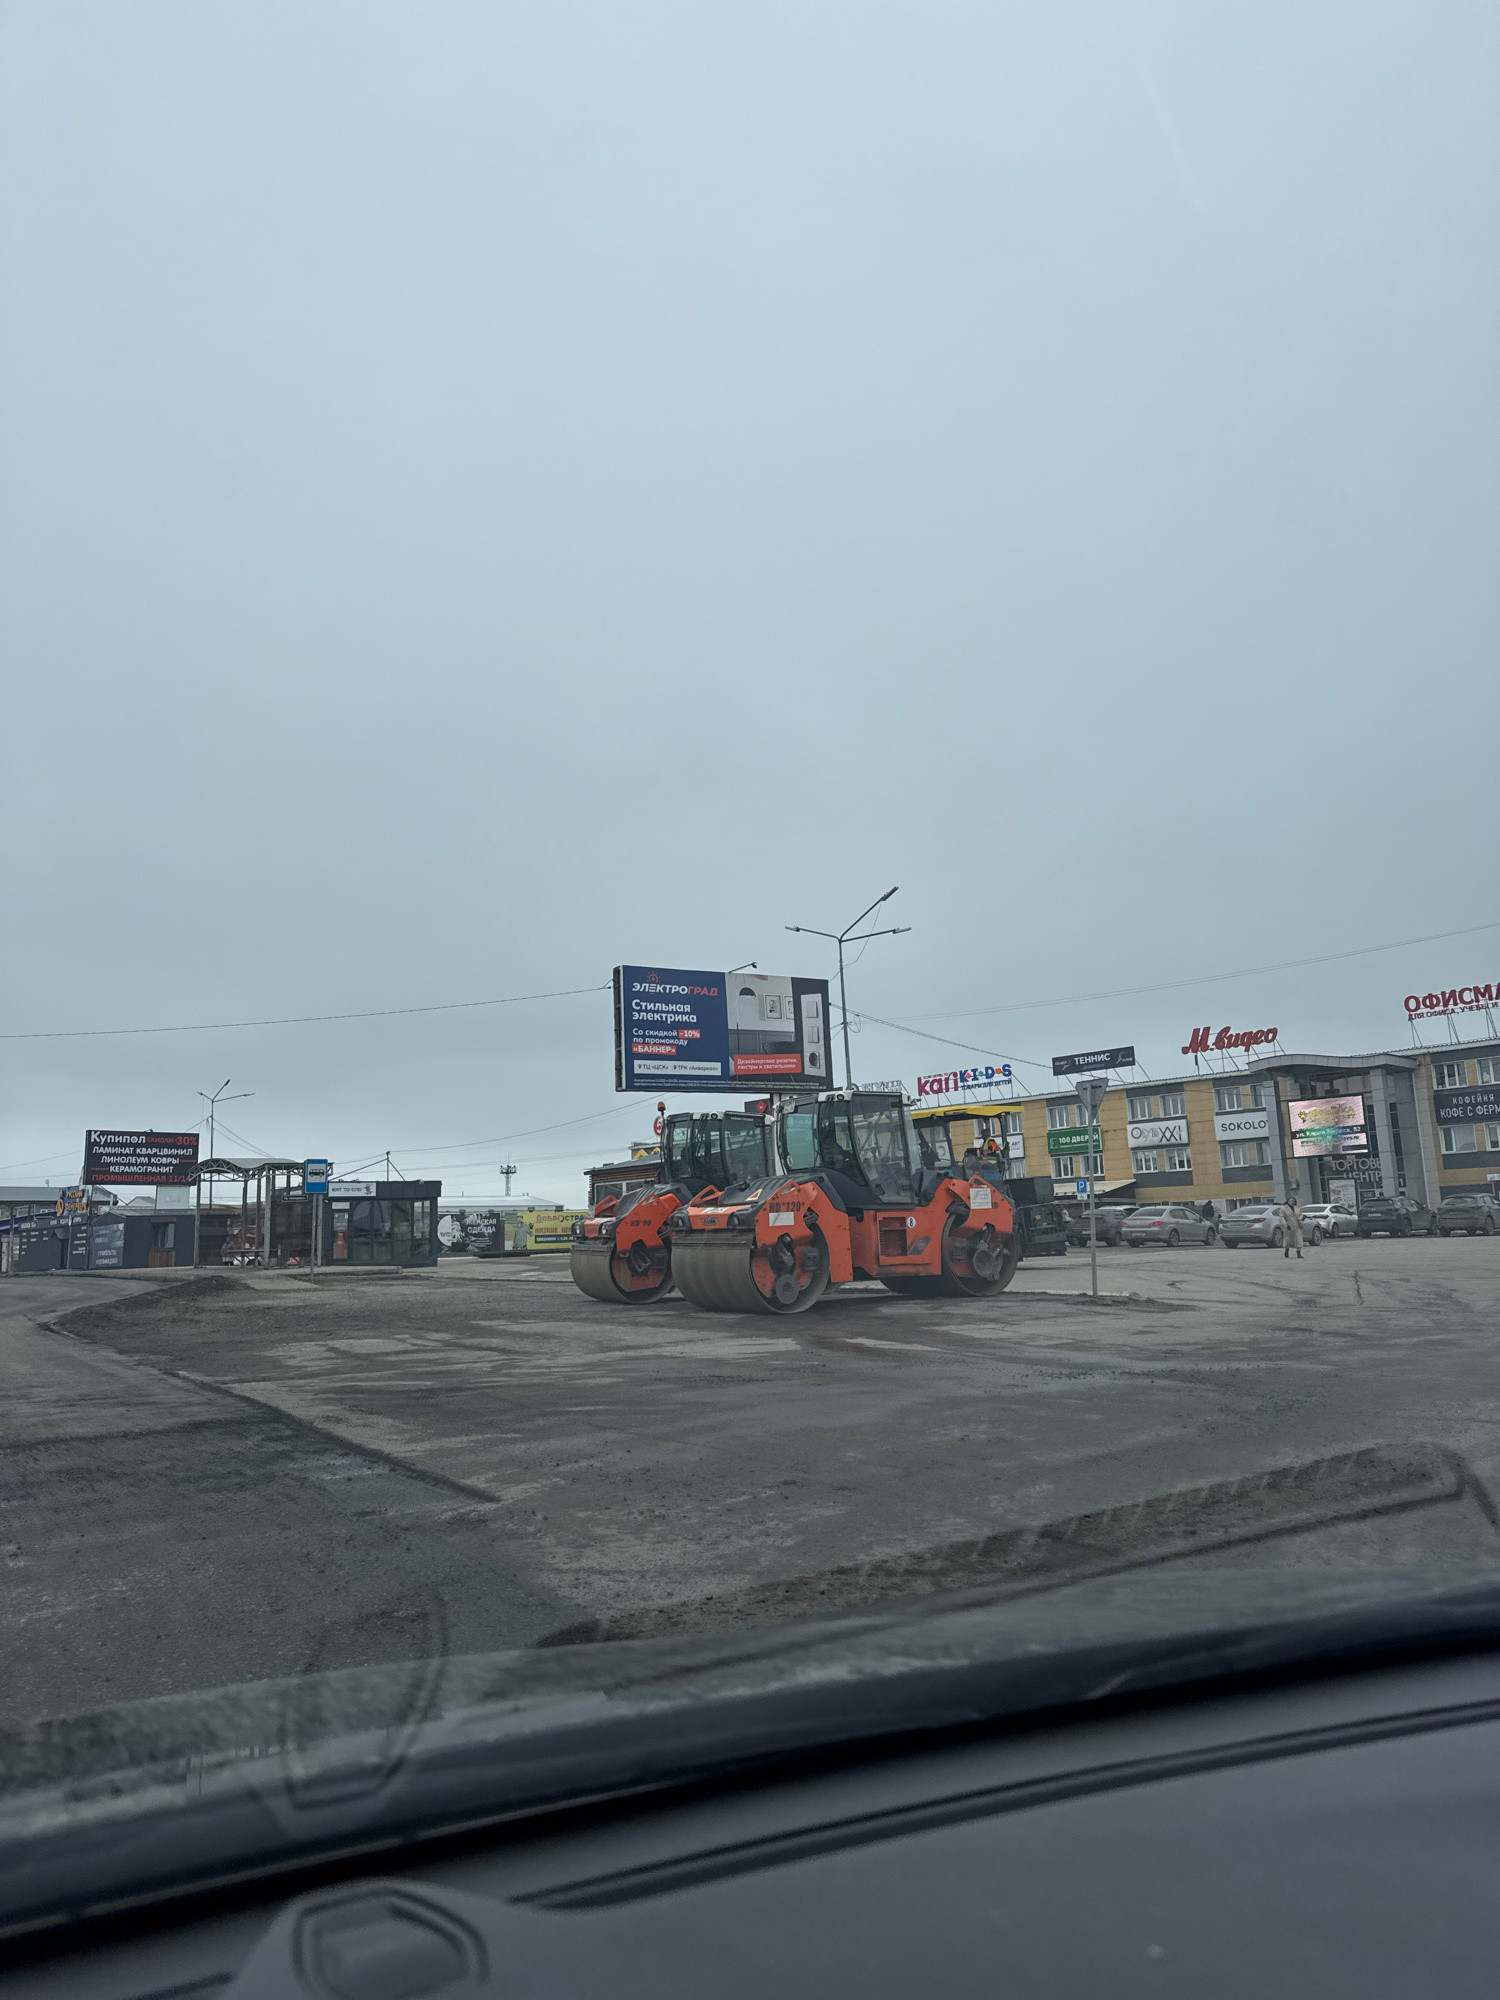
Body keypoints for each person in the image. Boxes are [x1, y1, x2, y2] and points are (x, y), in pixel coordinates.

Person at [1278, 1194, 1304, 1259]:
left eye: (1293, 1201)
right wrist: (1286, 1225)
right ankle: (1287, 1249)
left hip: (1297, 1226)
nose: (1292, 1202)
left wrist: (1301, 1218)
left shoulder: (1296, 1208)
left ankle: (1298, 1253)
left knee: (1298, 1239)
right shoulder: (1284, 1208)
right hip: (1289, 1226)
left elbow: (1300, 1215)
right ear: (1288, 1201)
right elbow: (1282, 1217)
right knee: (1288, 1239)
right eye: (1291, 1201)